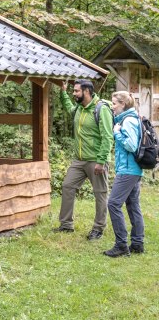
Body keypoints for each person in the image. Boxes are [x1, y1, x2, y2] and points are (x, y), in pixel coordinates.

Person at [53, 79, 114, 240]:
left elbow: (108, 137)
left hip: (96, 159)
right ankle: (66, 225)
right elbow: (68, 108)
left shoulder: (101, 109)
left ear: (86, 91)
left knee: (100, 193)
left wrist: (101, 161)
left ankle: (98, 228)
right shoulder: (79, 108)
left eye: (76, 91)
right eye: (73, 91)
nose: (74, 94)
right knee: (67, 186)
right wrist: (63, 92)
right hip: (79, 160)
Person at [103, 91, 145, 257]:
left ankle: (121, 245)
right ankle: (137, 243)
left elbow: (131, 145)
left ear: (123, 104)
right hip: (133, 169)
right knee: (133, 205)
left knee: (113, 204)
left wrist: (116, 132)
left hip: (128, 170)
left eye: (114, 104)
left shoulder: (127, 121)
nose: (113, 107)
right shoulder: (131, 118)